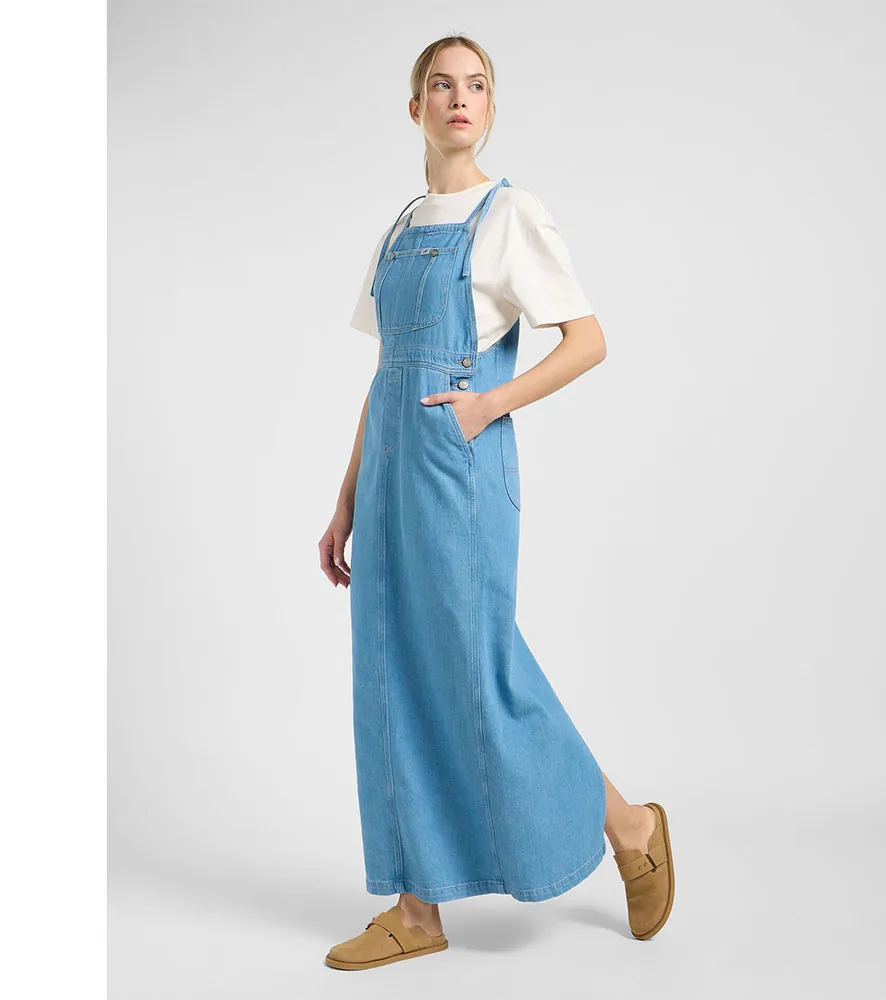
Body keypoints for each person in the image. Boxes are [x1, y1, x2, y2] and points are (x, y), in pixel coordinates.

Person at [319, 33, 674, 971]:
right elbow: (385, 376)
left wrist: (488, 403)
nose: (459, 98)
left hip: (459, 470)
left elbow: (587, 340)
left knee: (483, 671)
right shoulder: (401, 226)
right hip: (389, 475)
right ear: (416, 108)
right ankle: (417, 910)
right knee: (391, 675)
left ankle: (630, 826)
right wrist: (346, 499)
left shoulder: (509, 213)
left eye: (475, 85)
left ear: (489, 107)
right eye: (442, 85)